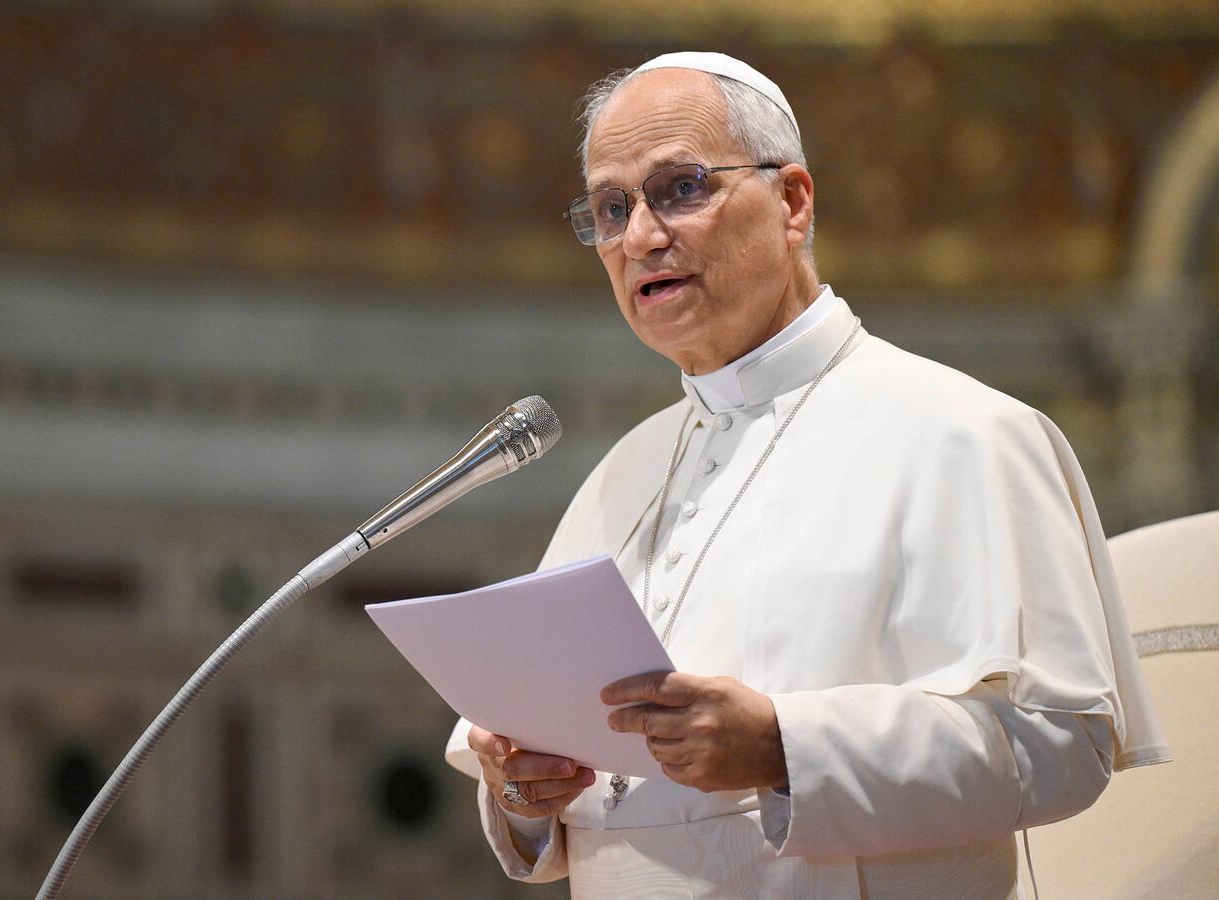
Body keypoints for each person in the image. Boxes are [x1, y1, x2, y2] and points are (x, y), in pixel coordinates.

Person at [442, 51, 1170, 898]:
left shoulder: (963, 433)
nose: (640, 236)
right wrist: (524, 789)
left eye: (680, 188)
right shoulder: (622, 471)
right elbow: (578, 798)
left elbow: (1062, 743)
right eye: (611, 208)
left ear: (791, 202)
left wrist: (785, 745)